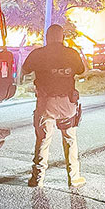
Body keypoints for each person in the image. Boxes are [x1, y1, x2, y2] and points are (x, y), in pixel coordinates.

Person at [21, 24, 86, 188]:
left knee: (43, 140)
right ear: (62, 37)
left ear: (47, 38)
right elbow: (81, 70)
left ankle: (37, 179)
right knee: (70, 139)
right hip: (67, 104)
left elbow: (24, 70)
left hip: (46, 104)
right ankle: (74, 177)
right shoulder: (72, 53)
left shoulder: (38, 54)